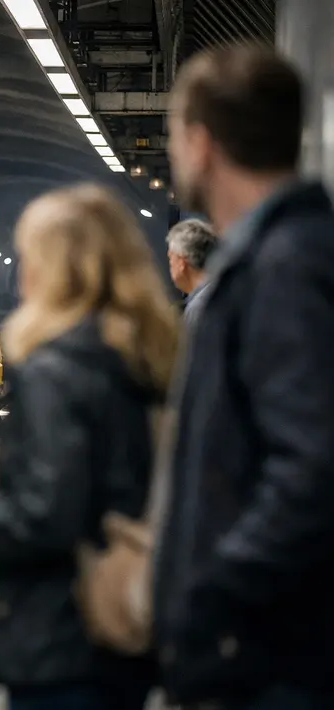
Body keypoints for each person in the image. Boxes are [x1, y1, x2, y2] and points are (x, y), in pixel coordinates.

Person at [154, 44, 334, 709]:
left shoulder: (284, 267)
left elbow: (311, 469)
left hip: (270, 660)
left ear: (200, 144)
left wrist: (212, 594)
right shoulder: (276, 256)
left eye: (174, 135)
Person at [0, 184, 179, 710]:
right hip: (126, 622)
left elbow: (46, 516)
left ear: (52, 266)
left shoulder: (53, 370)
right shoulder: (148, 357)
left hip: (60, 634)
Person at [165, 218, 219, 327]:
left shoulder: (198, 309)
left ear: (181, 263)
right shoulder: (222, 293)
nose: (170, 266)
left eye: (171, 259)